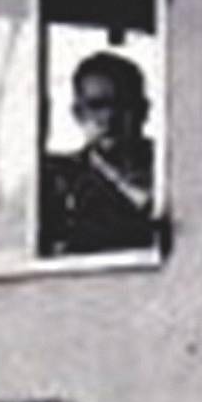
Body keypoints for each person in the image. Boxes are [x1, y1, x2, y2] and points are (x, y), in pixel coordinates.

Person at [42, 49, 159, 254]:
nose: (109, 117)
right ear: (78, 114)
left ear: (144, 110)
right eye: (96, 106)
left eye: (122, 104)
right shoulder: (62, 184)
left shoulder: (174, 168)